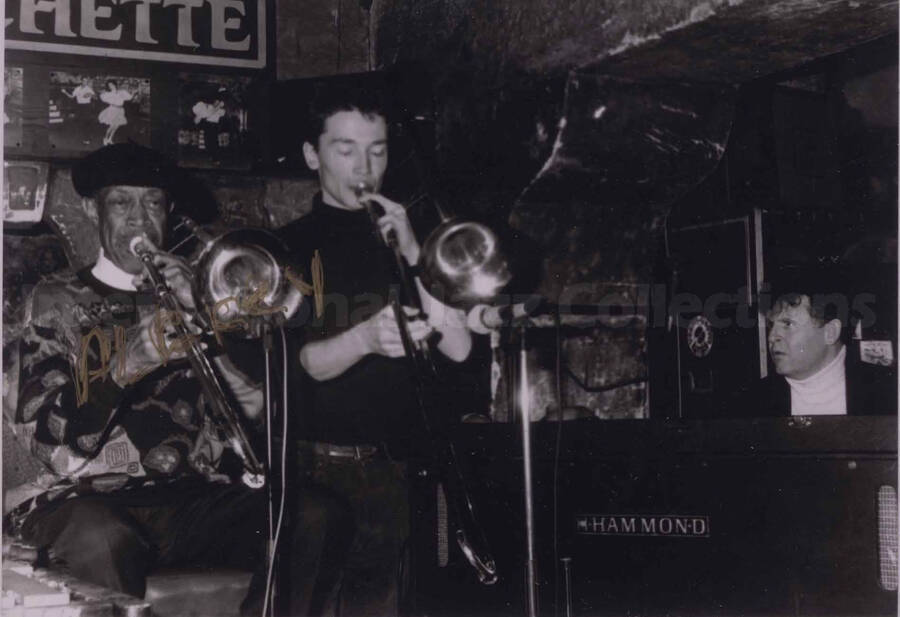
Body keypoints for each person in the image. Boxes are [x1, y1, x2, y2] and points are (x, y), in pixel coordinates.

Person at [5, 143, 350, 616]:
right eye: (121, 203)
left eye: (153, 203)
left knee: (314, 516)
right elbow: (47, 440)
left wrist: (205, 319)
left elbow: (251, 409)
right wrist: (127, 364)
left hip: (188, 499)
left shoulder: (193, 295)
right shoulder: (53, 300)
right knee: (102, 537)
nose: (140, 219)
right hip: (83, 500)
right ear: (91, 210)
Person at [278, 83, 472, 616]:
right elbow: (296, 367)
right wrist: (363, 339)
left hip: (395, 473)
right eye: (346, 149)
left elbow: (459, 349)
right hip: (315, 477)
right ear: (312, 156)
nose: (365, 166)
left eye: (378, 150)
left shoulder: (406, 239)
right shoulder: (285, 246)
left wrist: (417, 254)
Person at [738, 273, 896, 416]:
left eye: (787, 324)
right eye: (771, 325)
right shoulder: (750, 404)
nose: (772, 337)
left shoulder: (887, 393)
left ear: (831, 332)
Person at [98, 81, 133, 145]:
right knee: (112, 126)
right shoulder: (109, 94)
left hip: (120, 110)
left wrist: (133, 93)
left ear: (115, 84)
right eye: (109, 85)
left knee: (116, 126)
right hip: (113, 110)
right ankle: (105, 138)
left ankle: (110, 139)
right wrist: (102, 93)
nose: (111, 86)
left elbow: (129, 98)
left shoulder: (122, 92)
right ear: (108, 87)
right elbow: (102, 97)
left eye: (112, 84)